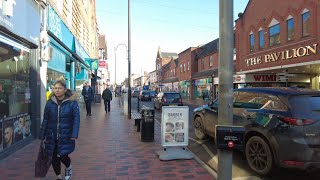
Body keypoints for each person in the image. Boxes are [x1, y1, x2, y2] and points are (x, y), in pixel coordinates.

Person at [39, 80, 80, 180]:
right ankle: (59, 176)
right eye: (55, 88)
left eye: (60, 88)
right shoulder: (49, 103)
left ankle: (68, 166)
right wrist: (42, 135)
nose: (57, 90)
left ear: (65, 90)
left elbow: (76, 119)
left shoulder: (72, 103)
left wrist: (74, 133)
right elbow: (45, 119)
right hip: (51, 134)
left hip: (66, 134)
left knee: (63, 156)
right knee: (53, 156)